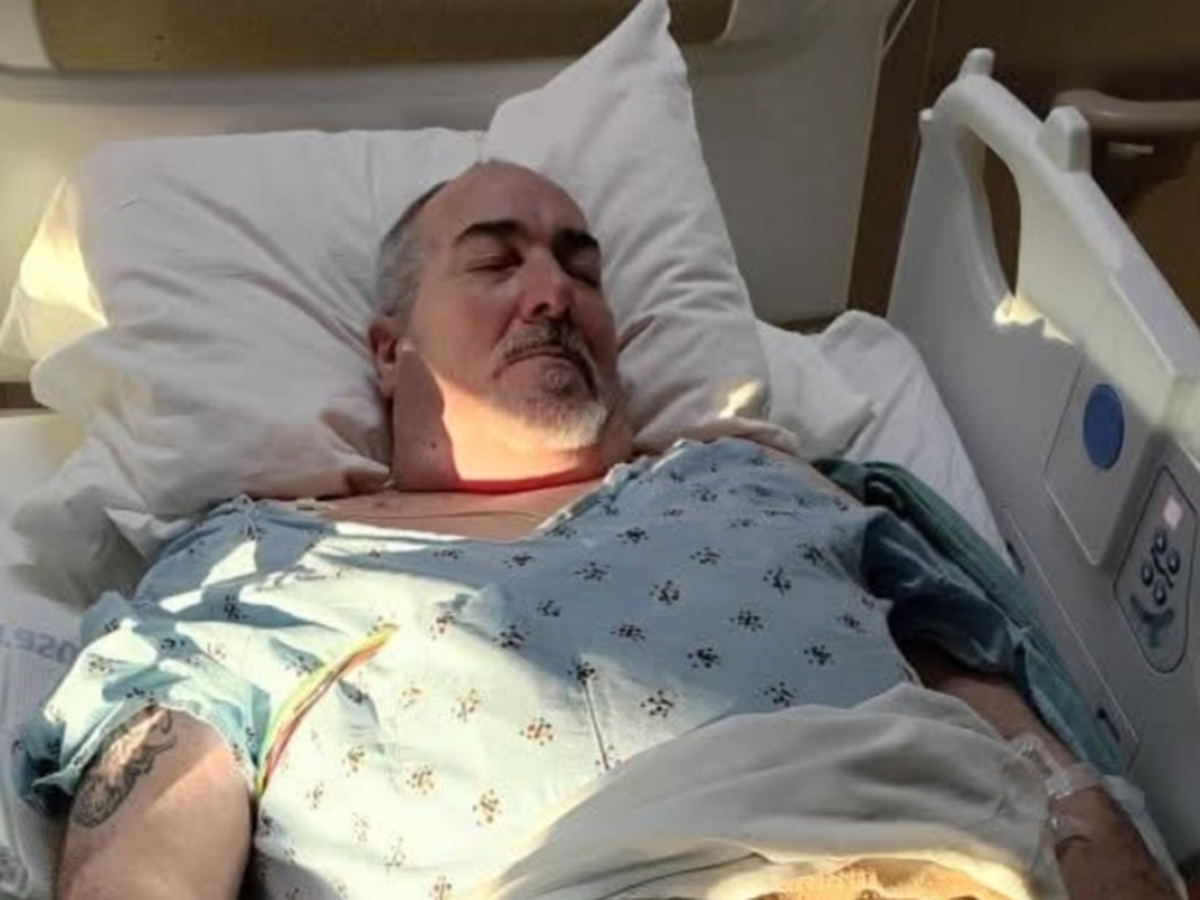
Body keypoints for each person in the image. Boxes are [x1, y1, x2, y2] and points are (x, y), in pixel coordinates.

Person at [20, 162, 1176, 900]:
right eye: (496, 260)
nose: (553, 293)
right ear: (388, 349)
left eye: (581, 268)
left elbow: (1018, 746)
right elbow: (148, 854)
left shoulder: (761, 479)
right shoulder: (259, 563)